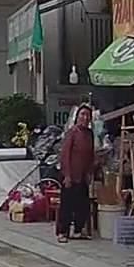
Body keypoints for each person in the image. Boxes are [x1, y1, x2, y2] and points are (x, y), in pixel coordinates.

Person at [58, 104, 96, 243]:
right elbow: (65, 155)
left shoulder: (89, 134)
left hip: (83, 175)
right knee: (67, 205)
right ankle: (63, 232)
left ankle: (78, 231)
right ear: (77, 117)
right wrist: (67, 175)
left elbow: (91, 155)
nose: (85, 118)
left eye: (87, 115)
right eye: (82, 114)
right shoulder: (72, 132)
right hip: (70, 175)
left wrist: (90, 172)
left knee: (82, 204)